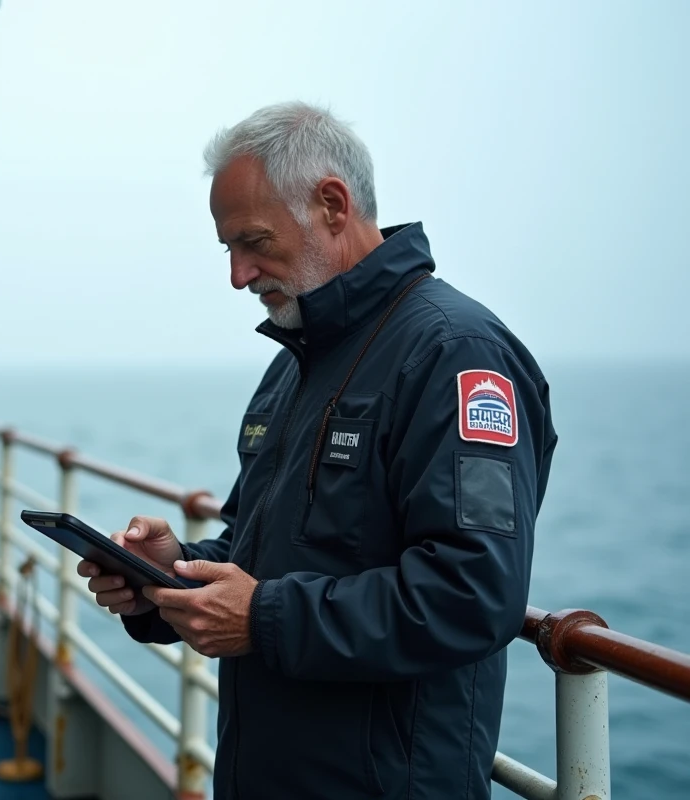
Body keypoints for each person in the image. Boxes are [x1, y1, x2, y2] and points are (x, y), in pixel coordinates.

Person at [78, 102, 557, 799]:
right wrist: (169, 573)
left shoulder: (456, 354)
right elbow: (256, 552)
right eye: (228, 249)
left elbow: (473, 593)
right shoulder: (296, 363)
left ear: (333, 204)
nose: (238, 275)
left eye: (253, 241)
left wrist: (263, 618)